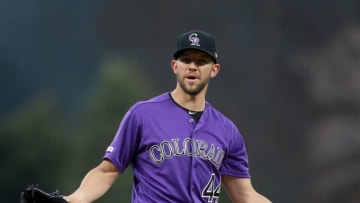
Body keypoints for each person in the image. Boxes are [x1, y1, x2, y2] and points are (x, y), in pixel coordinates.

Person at [64, 30, 271, 203]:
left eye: (201, 61)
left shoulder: (227, 131)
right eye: (186, 59)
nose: (192, 66)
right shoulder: (143, 115)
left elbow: (245, 195)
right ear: (175, 66)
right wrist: (73, 199)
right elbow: (107, 171)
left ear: (214, 70)